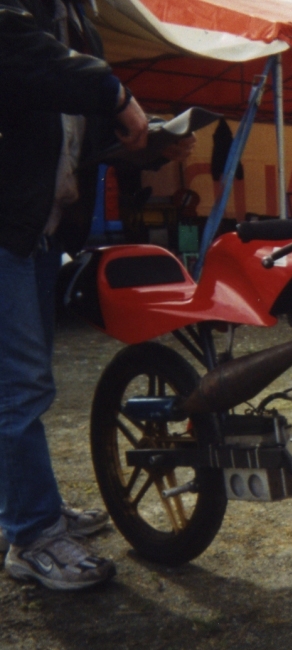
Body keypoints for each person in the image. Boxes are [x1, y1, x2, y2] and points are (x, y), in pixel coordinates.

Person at [0, 0, 193, 590]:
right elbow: (21, 55)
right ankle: (32, 535)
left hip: (37, 225)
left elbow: (70, 128)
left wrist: (146, 141)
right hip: (7, 223)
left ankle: (32, 508)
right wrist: (115, 94)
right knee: (20, 385)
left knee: (25, 382)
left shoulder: (76, 14)